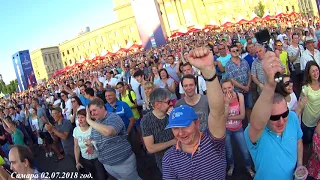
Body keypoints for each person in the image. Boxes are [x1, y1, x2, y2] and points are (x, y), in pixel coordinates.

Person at [162, 47, 226, 179]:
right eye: (175, 128)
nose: (180, 133)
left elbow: (217, 113)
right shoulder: (169, 158)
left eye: (185, 126)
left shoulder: (212, 143)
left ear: (197, 123)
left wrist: (209, 73)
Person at [244, 51, 304, 179]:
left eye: (284, 114)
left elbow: (298, 140)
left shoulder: (292, 117)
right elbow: (256, 124)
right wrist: (270, 85)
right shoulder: (255, 133)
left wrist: (299, 164)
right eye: (275, 117)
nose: (281, 121)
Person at [87, 98, 141, 180]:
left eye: (94, 110)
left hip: (123, 163)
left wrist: (88, 120)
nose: (92, 113)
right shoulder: (96, 123)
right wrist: (90, 145)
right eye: (90, 112)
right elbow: (93, 138)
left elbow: (108, 132)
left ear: (102, 107)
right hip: (107, 164)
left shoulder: (113, 117)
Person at [221, 79, 254, 177]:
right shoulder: (221, 99)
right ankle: (231, 166)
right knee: (229, 152)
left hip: (238, 128)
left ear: (233, 87)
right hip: (226, 130)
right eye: (224, 88)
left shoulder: (240, 96)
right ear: (221, 90)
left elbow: (242, 116)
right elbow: (223, 119)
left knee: (245, 150)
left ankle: (249, 167)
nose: (227, 90)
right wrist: (226, 103)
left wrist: (227, 117)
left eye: (229, 87)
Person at [140, 88, 176, 172]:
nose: (171, 103)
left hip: (181, 156)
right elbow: (151, 148)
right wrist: (173, 142)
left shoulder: (172, 114)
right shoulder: (146, 121)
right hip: (164, 162)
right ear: (157, 105)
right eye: (168, 102)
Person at [73, 109, 108, 180]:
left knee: (102, 177)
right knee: (91, 177)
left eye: (82, 117)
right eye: (78, 117)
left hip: (98, 158)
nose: (80, 119)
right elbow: (76, 147)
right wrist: (77, 162)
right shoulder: (76, 130)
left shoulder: (94, 128)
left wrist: (92, 143)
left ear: (87, 118)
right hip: (85, 159)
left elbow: (103, 142)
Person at [300, 61, 320, 145]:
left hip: (318, 121)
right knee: (307, 141)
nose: (316, 73)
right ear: (309, 74)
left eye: (317, 70)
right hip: (308, 123)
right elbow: (301, 106)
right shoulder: (306, 88)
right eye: (313, 71)